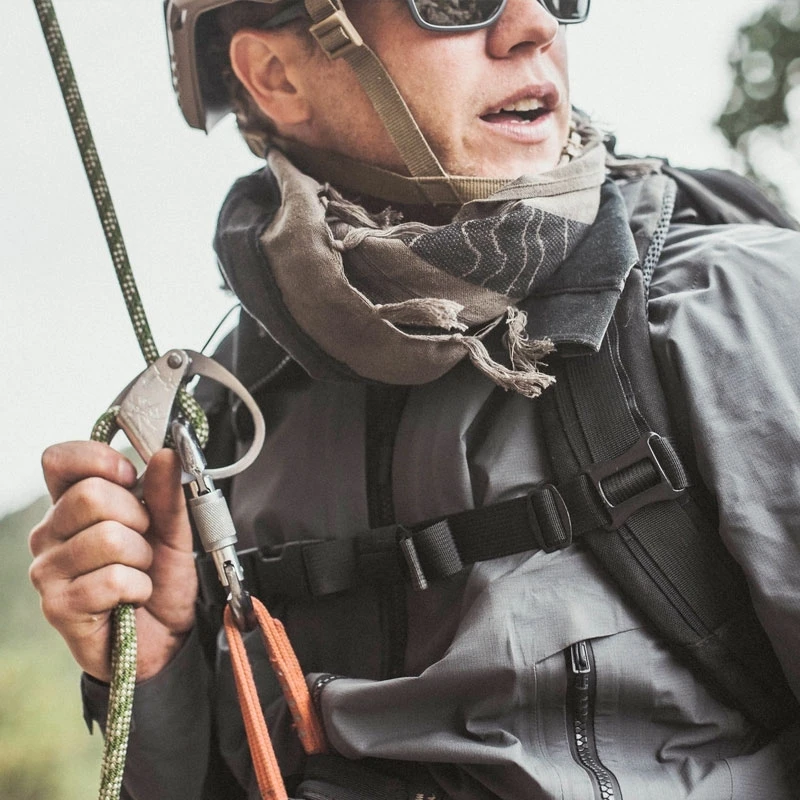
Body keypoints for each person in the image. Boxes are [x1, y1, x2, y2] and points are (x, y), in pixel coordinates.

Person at [28, 1, 800, 798]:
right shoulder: (221, 427)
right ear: (277, 75)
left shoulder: (730, 311)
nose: (535, 28)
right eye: (457, 2)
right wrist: (156, 673)